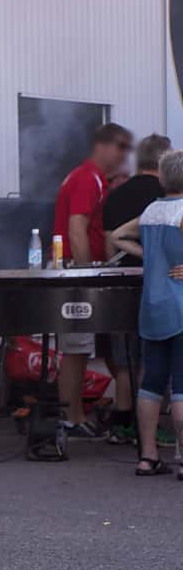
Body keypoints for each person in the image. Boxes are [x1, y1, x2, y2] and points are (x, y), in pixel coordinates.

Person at [52, 122, 133, 436]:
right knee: (75, 348)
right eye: (121, 147)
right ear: (103, 145)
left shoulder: (92, 178)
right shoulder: (88, 178)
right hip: (77, 274)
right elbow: (77, 229)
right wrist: (88, 275)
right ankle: (71, 418)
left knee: (80, 348)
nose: (124, 155)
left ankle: (76, 415)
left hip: (77, 271)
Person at [105, 148, 183, 475]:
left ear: (163, 177)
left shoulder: (151, 211)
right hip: (181, 306)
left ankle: (147, 457)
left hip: (152, 307)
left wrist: (149, 254)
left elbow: (118, 235)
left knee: (151, 383)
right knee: (181, 386)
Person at [95, 134, 172, 440]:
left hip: (120, 285)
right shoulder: (167, 196)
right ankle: (149, 430)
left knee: (125, 359)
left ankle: (123, 424)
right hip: (162, 285)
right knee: (153, 361)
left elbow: (109, 246)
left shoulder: (116, 195)